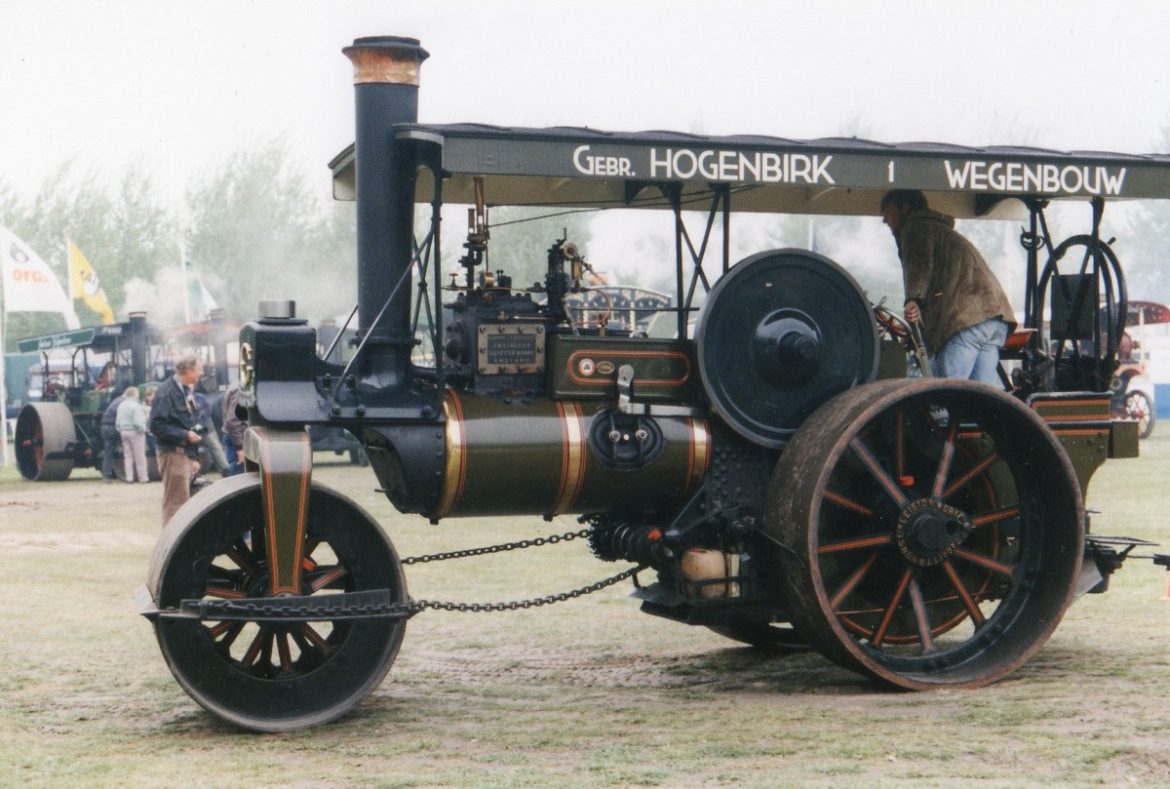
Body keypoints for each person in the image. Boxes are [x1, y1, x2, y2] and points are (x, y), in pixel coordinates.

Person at [880, 189, 1016, 384]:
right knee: (985, 400)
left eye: (887, 211)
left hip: (966, 320)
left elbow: (919, 264)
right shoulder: (941, 231)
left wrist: (913, 299)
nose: (885, 220)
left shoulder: (915, 226)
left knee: (947, 393)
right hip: (994, 319)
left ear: (905, 207)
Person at [149, 355, 205, 526]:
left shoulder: (186, 391)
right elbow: (156, 426)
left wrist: (194, 457)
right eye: (199, 369)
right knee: (175, 502)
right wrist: (185, 435)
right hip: (172, 453)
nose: (201, 373)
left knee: (184, 501)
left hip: (184, 454)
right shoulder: (166, 393)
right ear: (187, 370)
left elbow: (191, 423)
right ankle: (172, 545)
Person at [115, 385, 150, 483]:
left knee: (128, 456)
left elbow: (117, 422)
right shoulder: (136, 406)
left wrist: (120, 430)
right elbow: (138, 422)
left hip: (123, 431)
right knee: (140, 456)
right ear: (135, 394)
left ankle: (129, 478)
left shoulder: (121, 405)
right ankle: (143, 478)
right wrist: (143, 429)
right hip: (135, 432)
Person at [99, 390, 127, 482]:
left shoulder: (116, 401)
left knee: (108, 452)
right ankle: (122, 474)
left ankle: (106, 475)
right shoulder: (123, 403)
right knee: (121, 451)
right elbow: (121, 418)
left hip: (105, 426)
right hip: (113, 427)